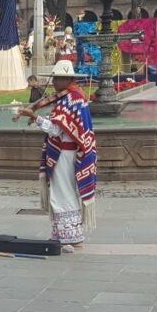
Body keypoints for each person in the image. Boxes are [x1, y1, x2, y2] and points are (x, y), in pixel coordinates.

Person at [17, 60, 97, 252]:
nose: (54, 82)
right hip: (65, 152)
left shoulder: (72, 99)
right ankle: (62, 234)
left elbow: (55, 130)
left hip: (65, 153)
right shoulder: (72, 97)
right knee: (61, 191)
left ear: (68, 79)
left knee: (64, 192)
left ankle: (72, 236)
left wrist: (36, 117)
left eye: (58, 79)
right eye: (55, 78)